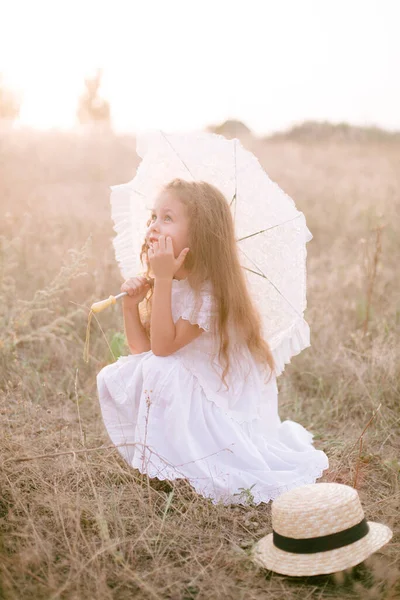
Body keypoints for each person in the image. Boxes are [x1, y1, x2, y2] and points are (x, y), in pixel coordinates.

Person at [96, 178, 329, 506]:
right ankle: (164, 457)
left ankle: (186, 461)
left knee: (164, 371)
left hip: (218, 399)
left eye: (167, 218)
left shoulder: (209, 293)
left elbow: (161, 351)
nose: (153, 226)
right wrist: (131, 306)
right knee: (135, 372)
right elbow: (142, 352)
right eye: (153, 216)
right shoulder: (173, 280)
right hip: (190, 384)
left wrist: (161, 279)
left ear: (200, 233)